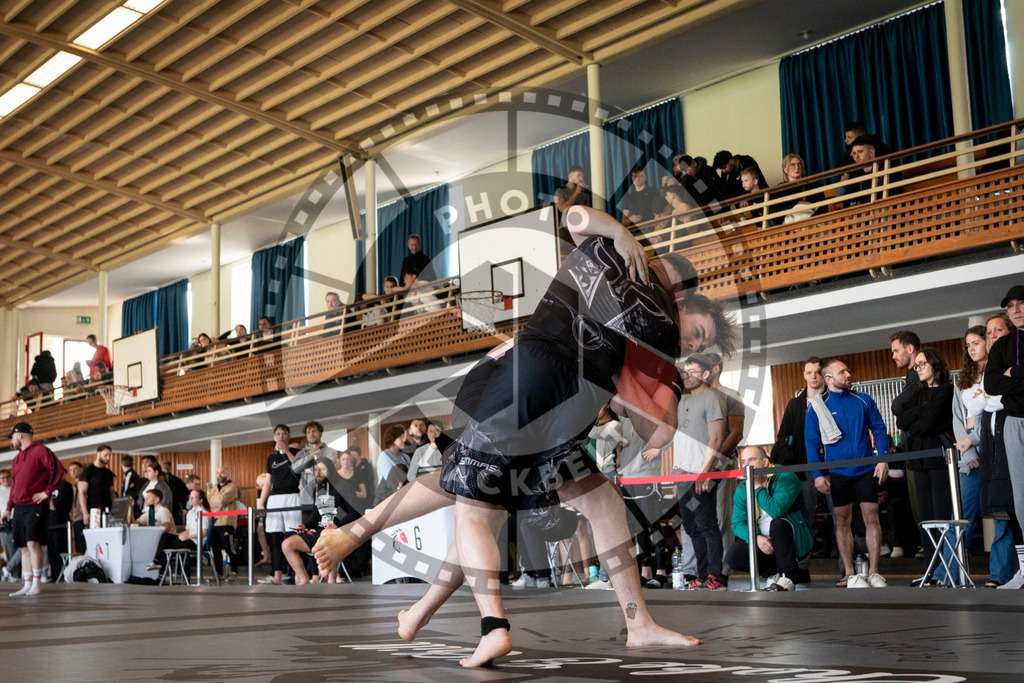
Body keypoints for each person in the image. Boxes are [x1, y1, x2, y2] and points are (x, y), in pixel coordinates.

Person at [312, 207, 735, 655]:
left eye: (699, 347)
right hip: (516, 373)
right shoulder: (635, 282)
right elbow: (578, 219)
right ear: (686, 301)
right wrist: (621, 232)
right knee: (472, 499)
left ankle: (635, 623)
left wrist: (634, 383)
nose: (692, 346)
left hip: (561, 397)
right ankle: (479, 618)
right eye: (698, 334)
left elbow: (659, 430)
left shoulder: (652, 337)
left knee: (587, 502)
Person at [804, 358, 890, 588]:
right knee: (842, 521)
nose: (848, 374)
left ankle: (873, 572)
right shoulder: (816, 407)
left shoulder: (863, 400)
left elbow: (880, 430)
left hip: (865, 469)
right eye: (842, 372)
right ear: (829, 379)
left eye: (848, 370)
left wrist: (882, 460)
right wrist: (817, 475)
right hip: (838, 472)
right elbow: (811, 444)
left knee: (871, 518)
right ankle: (850, 574)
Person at [893, 347, 954, 583]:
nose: (917, 368)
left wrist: (918, 418)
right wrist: (920, 416)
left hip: (938, 459)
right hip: (917, 459)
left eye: (921, 364)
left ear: (935, 365)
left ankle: (945, 570)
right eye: (916, 365)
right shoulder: (917, 394)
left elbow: (930, 423)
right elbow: (902, 420)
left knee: (941, 515)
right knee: (925, 519)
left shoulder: (947, 390)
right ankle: (930, 569)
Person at [672, 353, 727, 590]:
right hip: (681, 473)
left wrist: (704, 473)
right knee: (691, 526)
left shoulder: (712, 399)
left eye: (692, 372)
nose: (687, 376)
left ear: (706, 374)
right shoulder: (682, 401)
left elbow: (715, 438)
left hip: (702, 474)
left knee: (707, 524)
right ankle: (702, 574)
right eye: (685, 371)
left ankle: (716, 575)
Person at [726, 446, 812, 591]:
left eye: (752, 460)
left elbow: (776, 511)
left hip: (789, 537)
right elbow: (737, 523)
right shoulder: (742, 489)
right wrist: (756, 537)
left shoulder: (785, 476)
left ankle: (789, 576)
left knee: (777, 524)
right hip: (763, 540)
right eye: (744, 461)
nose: (747, 465)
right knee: (734, 557)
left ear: (765, 462)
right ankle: (773, 573)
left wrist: (758, 486)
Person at [984, 286, 1024, 589]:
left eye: (1021, 304)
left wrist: (1013, 374)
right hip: (1014, 423)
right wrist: (1010, 375)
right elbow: (992, 384)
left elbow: (1004, 380)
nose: (1016, 309)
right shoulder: (1001, 346)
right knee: (1021, 498)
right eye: (1011, 306)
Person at [2, 422, 64, 597]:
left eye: (12, 437)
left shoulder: (40, 451)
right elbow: (14, 486)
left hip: (35, 505)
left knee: (32, 543)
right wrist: (8, 508)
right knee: (23, 547)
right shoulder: (16, 459)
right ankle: (27, 583)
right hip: (19, 507)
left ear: (19, 435)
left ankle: (37, 582)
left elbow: (57, 469)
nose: (11, 441)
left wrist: (47, 492)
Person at [281, 461, 360, 584]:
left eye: (322, 469)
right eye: (316, 469)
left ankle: (331, 581)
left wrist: (337, 526)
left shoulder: (343, 486)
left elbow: (354, 512)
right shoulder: (317, 489)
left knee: (327, 536)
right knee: (287, 544)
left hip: (338, 532)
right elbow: (316, 515)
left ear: (331, 470)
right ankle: (304, 580)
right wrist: (305, 526)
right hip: (320, 531)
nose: (318, 473)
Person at [773, 356, 825, 533]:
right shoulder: (795, 405)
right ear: (804, 375)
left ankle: (847, 560)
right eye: (809, 372)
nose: (814, 376)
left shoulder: (833, 400)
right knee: (804, 519)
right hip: (803, 468)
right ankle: (803, 561)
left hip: (833, 466)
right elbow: (783, 436)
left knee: (842, 517)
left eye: (818, 372)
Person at [259, 424, 302, 585]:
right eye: (278, 434)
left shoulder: (296, 453)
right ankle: (277, 575)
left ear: (289, 437)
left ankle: (297, 573)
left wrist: (287, 451)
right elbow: (268, 482)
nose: (281, 436)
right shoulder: (271, 458)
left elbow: (299, 468)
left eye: (284, 434)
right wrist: (262, 503)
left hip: (292, 496)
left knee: (293, 536)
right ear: (274, 438)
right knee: (276, 537)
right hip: (275, 498)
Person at [147, 489, 210, 573]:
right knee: (165, 536)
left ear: (200, 500)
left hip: (196, 542)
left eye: (193, 497)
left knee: (166, 545)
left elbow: (204, 532)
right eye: (189, 497)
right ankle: (156, 561)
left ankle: (160, 569)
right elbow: (188, 530)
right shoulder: (190, 513)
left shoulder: (203, 513)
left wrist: (188, 537)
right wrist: (177, 535)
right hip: (189, 538)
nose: (190, 499)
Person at [291, 421, 339, 507]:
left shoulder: (330, 451)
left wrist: (308, 469)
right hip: (307, 499)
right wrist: (310, 456)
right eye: (308, 432)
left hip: (326, 496)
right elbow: (295, 469)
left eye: (314, 431)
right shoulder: (301, 453)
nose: (311, 434)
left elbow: (327, 470)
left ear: (321, 433)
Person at [207, 466, 241, 579]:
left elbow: (221, 501)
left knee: (228, 547)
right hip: (215, 523)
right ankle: (218, 573)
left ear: (227, 474)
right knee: (215, 547)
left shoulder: (232, 487)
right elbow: (209, 502)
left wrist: (215, 500)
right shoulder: (214, 488)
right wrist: (216, 501)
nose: (219, 475)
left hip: (227, 522)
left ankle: (234, 572)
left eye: (222, 473)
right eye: (217, 473)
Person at [78, 445, 116, 530]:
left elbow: (112, 493)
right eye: (105, 455)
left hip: (107, 510)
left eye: (109, 455)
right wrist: (85, 513)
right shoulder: (88, 471)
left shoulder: (108, 473)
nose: (108, 458)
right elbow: (82, 493)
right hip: (93, 510)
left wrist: (115, 509)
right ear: (98, 454)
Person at [374, 425, 410, 505]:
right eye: (401, 437)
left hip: (405, 493)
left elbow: (411, 475)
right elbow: (391, 479)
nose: (404, 440)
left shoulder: (405, 456)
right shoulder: (384, 456)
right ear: (393, 439)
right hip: (389, 498)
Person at [554, 165, 592, 233]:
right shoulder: (559, 191)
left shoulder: (585, 195)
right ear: (571, 175)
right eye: (578, 175)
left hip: (580, 229)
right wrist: (576, 192)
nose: (581, 178)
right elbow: (563, 208)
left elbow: (587, 214)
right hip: (565, 230)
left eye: (582, 176)